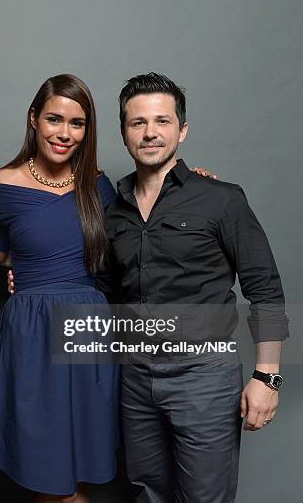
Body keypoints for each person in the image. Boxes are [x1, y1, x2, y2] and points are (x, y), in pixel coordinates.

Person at [107, 72, 288, 502]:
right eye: (138, 123)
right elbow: (103, 288)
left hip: (204, 375)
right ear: (124, 133)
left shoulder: (221, 199)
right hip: (134, 377)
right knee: (146, 492)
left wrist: (268, 377)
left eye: (162, 121)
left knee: (205, 496)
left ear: (182, 130)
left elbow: (264, 289)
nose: (150, 133)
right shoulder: (112, 211)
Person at [0, 74, 120, 503]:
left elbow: (143, 224)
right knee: (46, 469)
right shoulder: (3, 183)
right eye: (54, 119)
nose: (64, 133)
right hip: (32, 332)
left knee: (77, 474)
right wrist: (21, 274)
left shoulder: (100, 185)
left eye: (77, 124)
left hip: (89, 329)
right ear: (34, 119)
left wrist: (195, 179)